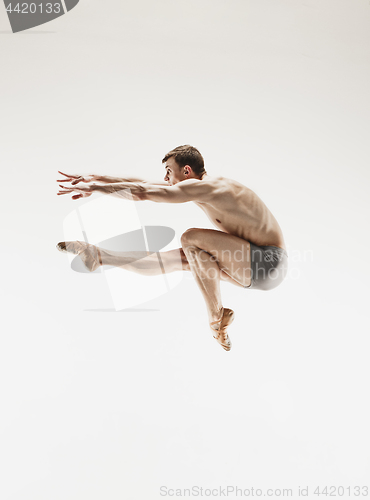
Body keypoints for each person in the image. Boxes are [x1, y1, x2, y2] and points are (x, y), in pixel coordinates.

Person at [57, 145, 288, 351]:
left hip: (269, 261)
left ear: (186, 171)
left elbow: (144, 193)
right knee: (183, 259)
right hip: (252, 267)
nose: (165, 178)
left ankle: (216, 318)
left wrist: (95, 188)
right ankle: (99, 257)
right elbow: (144, 184)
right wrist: (98, 178)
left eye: (168, 170)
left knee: (190, 238)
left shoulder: (212, 187)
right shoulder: (199, 188)